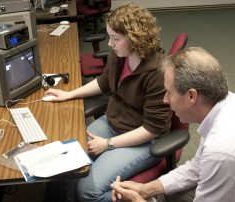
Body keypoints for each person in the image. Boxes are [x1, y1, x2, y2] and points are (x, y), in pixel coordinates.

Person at [44, 2, 172, 201]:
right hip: (113, 122)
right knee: (63, 161)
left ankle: (140, 199)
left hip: (144, 138)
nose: (110, 44)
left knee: (87, 191)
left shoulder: (158, 73)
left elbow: (153, 128)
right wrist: (69, 94)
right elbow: (103, 83)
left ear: (135, 39)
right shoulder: (120, 54)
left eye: (115, 38)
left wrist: (108, 144)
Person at [111, 47, 235, 202]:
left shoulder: (221, 152)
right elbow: (198, 166)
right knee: (169, 193)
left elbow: (213, 159)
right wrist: (145, 189)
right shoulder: (229, 103)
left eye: (169, 92)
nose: (165, 99)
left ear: (191, 96)